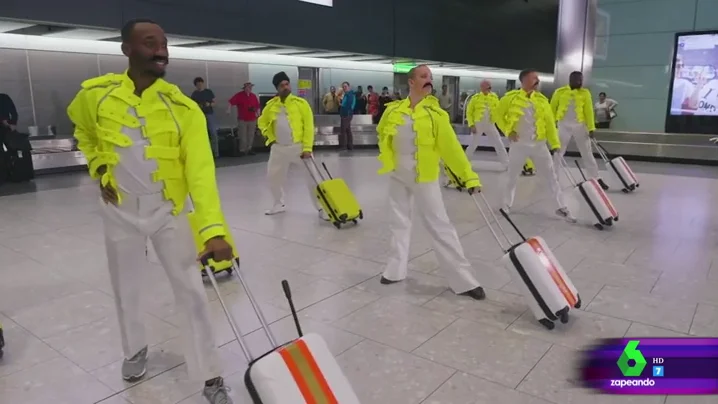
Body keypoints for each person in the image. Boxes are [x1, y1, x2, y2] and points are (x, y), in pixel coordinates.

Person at [66, 18, 234, 404]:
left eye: (164, 43)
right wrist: (99, 168)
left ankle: (210, 375)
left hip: (168, 211)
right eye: (149, 42)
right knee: (125, 287)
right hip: (119, 210)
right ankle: (134, 349)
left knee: (191, 292)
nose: (161, 50)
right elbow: (83, 129)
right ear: (126, 49)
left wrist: (213, 230)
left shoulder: (184, 109)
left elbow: (202, 175)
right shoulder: (95, 96)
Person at [376, 64, 486, 300]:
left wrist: (469, 177)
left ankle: (464, 280)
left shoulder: (437, 115)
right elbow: (382, 132)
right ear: (411, 82)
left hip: (424, 175)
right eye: (424, 76)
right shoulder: (393, 110)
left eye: (431, 77)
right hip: (397, 173)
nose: (429, 80)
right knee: (399, 222)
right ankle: (395, 269)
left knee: (440, 224)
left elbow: (452, 150)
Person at [495, 68, 575, 222]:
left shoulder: (542, 100)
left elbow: (550, 124)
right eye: (534, 78)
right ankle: (506, 205)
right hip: (519, 144)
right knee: (512, 175)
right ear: (523, 80)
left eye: (537, 78)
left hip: (539, 145)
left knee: (551, 176)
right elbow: (498, 115)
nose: (537, 81)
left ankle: (561, 206)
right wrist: (508, 131)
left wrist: (555, 143)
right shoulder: (509, 99)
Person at [258, 71, 329, 220]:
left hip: (299, 147)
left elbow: (309, 127)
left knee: (313, 178)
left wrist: (308, 148)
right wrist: (269, 137)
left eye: (287, 84)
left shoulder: (301, 104)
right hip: (278, 148)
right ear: (277, 88)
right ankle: (279, 203)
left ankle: (322, 207)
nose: (285, 87)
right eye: (281, 85)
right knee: (273, 177)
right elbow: (262, 121)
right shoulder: (270, 106)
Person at [550, 71, 608, 190]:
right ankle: (553, 179)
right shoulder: (559, 92)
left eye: (581, 80)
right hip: (563, 125)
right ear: (570, 79)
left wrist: (591, 128)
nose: (579, 82)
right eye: (577, 79)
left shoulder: (585, 93)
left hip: (580, 126)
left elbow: (589, 112)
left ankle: (595, 178)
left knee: (587, 152)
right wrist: (550, 127)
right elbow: (551, 110)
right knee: (558, 152)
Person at [465, 80, 508, 169]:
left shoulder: (494, 97)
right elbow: (469, 112)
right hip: (478, 124)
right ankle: (464, 163)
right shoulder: (475, 98)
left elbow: (499, 109)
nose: (489, 88)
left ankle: (506, 164)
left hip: (490, 123)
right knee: (473, 144)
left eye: (490, 86)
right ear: (482, 87)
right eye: (487, 86)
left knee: (498, 142)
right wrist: (471, 124)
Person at [228, 82, 260, 155]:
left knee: (251, 134)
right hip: (242, 119)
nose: (250, 88)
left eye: (250, 87)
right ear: (245, 88)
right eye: (248, 87)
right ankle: (242, 150)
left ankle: (249, 149)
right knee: (242, 135)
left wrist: (257, 114)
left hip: (252, 118)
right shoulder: (239, 95)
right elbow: (231, 102)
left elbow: (257, 106)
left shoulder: (253, 96)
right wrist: (228, 110)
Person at [190, 77, 218, 159]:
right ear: (196, 85)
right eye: (198, 84)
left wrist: (209, 104)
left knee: (213, 133)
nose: (200, 85)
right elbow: (192, 106)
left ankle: (215, 153)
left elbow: (215, 103)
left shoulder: (208, 92)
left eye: (201, 84)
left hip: (209, 114)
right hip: (199, 115)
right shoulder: (194, 94)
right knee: (202, 134)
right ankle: (204, 152)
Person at [339, 81, 356, 150]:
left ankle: (343, 146)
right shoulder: (346, 94)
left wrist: (343, 109)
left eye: (345, 86)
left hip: (346, 114)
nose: (344, 88)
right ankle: (350, 145)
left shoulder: (349, 95)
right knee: (348, 130)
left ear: (349, 87)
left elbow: (349, 105)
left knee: (343, 130)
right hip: (346, 114)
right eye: (343, 87)